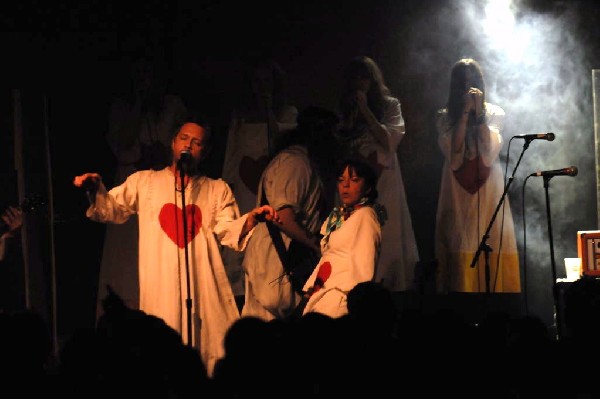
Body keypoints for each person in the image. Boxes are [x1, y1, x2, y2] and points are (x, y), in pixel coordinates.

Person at [72, 121, 278, 377]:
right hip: (161, 287)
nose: (188, 145)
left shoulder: (216, 190)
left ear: (205, 151)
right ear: (173, 142)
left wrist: (251, 218)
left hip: (202, 289)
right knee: (163, 351)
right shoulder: (144, 182)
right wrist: (95, 189)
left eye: (196, 142)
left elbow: (229, 229)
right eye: (184, 138)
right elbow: (111, 208)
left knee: (204, 350)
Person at [97, 55, 188, 315]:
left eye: (148, 73)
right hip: (130, 181)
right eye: (137, 73)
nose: (143, 78)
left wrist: (165, 155)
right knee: (126, 254)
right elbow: (122, 142)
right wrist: (138, 103)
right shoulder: (121, 107)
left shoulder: (172, 105)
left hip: (160, 182)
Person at [240, 106, 339, 321]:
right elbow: (283, 217)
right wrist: (315, 245)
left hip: (278, 261)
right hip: (277, 262)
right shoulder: (295, 163)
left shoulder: (298, 161)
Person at [434, 58, 520, 293]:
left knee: (490, 233)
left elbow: (489, 149)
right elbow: (454, 154)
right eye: (463, 83)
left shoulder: (494, 113)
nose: (469, 88)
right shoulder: (444, 116)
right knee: (460, 234)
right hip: (457, 186)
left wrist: (479, 113)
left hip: (488, 182)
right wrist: (463, 115)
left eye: (473, 82)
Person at [336, 55, 419, 293]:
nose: (359, 83)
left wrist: (365, 110)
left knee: (386, 230)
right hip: (355, 182)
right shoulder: (345, 111)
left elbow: (389, 141)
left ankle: (389, 286)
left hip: (385, 181)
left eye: (364, 78)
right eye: (355, 79)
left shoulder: (391, 106)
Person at [221, 58, 298, 309]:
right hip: (244, 191)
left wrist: (268, 112)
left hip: (272, 190)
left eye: (266, 81)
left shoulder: (288, 113)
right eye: (257, 81)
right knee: (242, 244)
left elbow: (284, 144)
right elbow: (232, 156)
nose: (261, 86)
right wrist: (227, 188)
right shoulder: (240, 116)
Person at [300, 158, 386, 318]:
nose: (345, 185)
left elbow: (365, 261)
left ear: (367, 187)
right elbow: (328, 257)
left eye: (354, 180)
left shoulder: (365, 215)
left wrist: (357, 298)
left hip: (342, 294)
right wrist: (313, 287)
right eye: (341, 180)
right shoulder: (339, 216)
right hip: (324, 291)